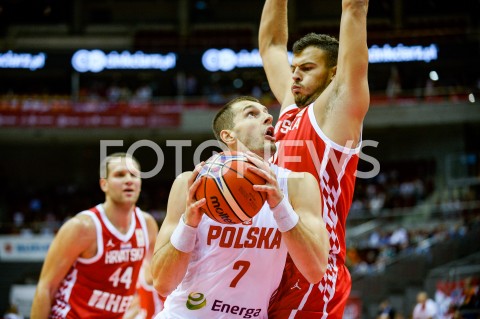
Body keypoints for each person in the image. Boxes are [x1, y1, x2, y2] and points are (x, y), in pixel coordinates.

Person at [151, 96, 330, 318]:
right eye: (251, 113)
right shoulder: (192, 184)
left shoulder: (297, 185)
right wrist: (188, 225)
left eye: (266, 112)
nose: (267, 117)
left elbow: (315, 271)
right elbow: (162, 284)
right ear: (228, 135)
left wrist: (280, 206)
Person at [259, 0, 370, 318]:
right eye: (294, 69)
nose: (294, 76)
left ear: (335, 72)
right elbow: (271, 46)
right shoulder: (291, 108)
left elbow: (354, 9)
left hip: (312, 268)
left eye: (307, 68)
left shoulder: (341, 108)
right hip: (272, 264)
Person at [30, 152, 159, 319]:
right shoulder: (82, 227)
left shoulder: (147, 225)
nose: (129, 180)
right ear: (104, 184)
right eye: (120, 175)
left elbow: (156, 278)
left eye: (134, 175)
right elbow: (46, 287)